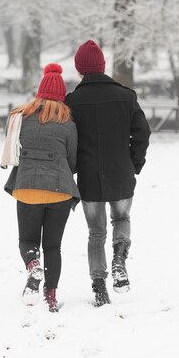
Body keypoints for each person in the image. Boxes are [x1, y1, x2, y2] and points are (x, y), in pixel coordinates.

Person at [65, 40, 151, 307]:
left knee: (96, 231)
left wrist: (74, 168)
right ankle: (119, 257)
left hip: (89, 177)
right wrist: (134, 163)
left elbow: (69, 139)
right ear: (102, 66)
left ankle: (99, 285)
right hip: (121, 173)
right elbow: (142, 133)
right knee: (122, 217)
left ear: (80, 69)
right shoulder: (126, 97)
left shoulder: (72, 101)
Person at [2, 63, 80, 312]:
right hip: (60, 191)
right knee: (53, 246)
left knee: (27, 239)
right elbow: (72, 160)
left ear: (39, 91)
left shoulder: (20, 116)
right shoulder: (68, 123)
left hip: (27, 187)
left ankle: (33, 265)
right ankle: (51, 296)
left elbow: (12, 148)